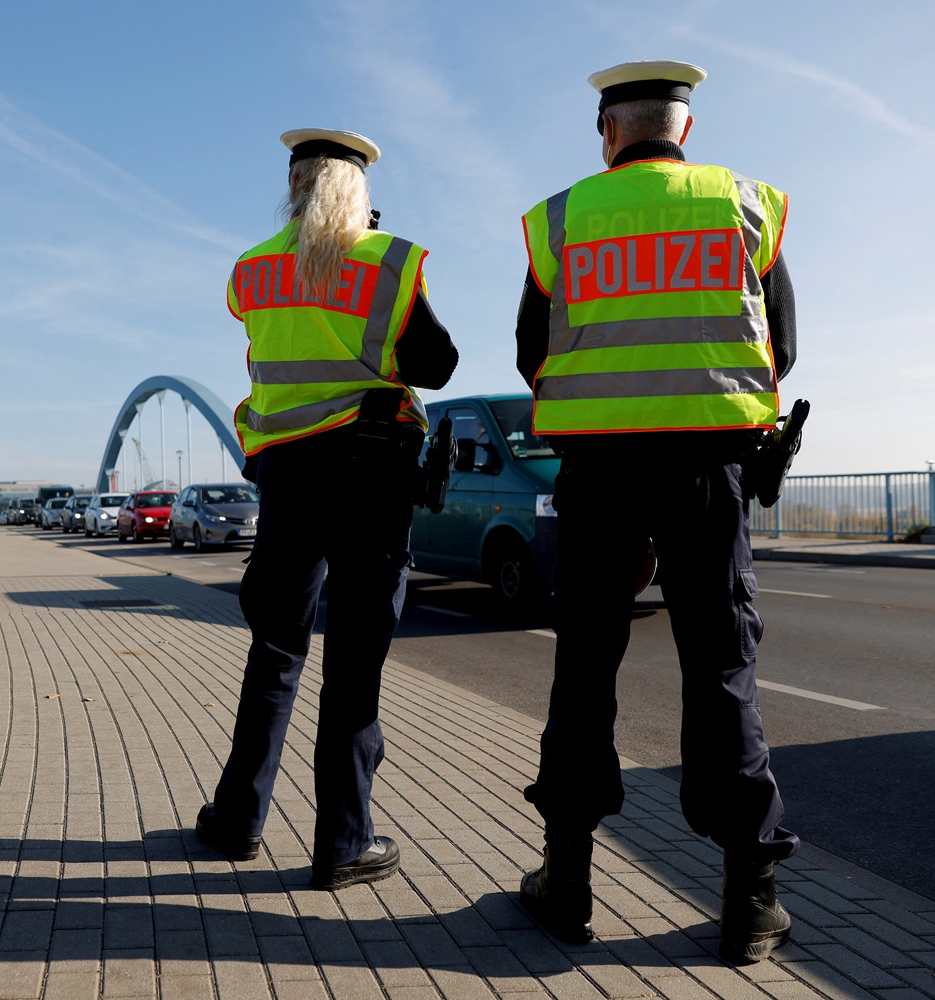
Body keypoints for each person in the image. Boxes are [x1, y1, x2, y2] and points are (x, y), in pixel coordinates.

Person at [514, 62, 799, 963]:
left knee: (584, 666)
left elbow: (532, 355)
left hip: (597, 471)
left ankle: (566, 884)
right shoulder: (742, 204)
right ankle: (750, 899)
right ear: (687, 130)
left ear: (608, 131)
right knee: (722, 666)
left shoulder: (562, 219)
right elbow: (780, 345)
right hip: (707, 466)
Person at [195, 127, 458, 890]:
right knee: (353, 661)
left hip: (288, 475)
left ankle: (238, 819)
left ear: (294, 184)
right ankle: (344, 841)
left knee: (275, 649)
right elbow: (436, 364)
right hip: (371, 473)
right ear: (360, 193)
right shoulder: (387, 262)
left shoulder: (253, 270)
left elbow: (268, 353)